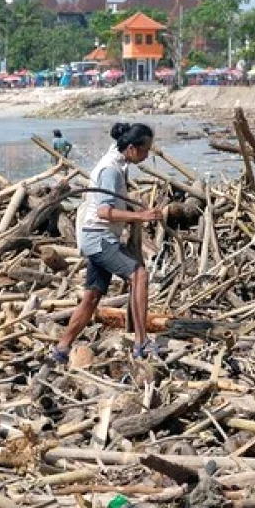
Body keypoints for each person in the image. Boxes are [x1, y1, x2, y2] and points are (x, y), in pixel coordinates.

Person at [52, 122, 164, 362]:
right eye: (145, 150)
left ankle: (61, 348)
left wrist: (132, 210)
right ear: (131, 148)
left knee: (92, 297)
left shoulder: (117, 163)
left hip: (99, 237)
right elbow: (104, 211)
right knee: (139, 276)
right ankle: (141, 342)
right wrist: (140, 216)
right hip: (99, 237)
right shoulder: (111, 170)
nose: (147, 155)